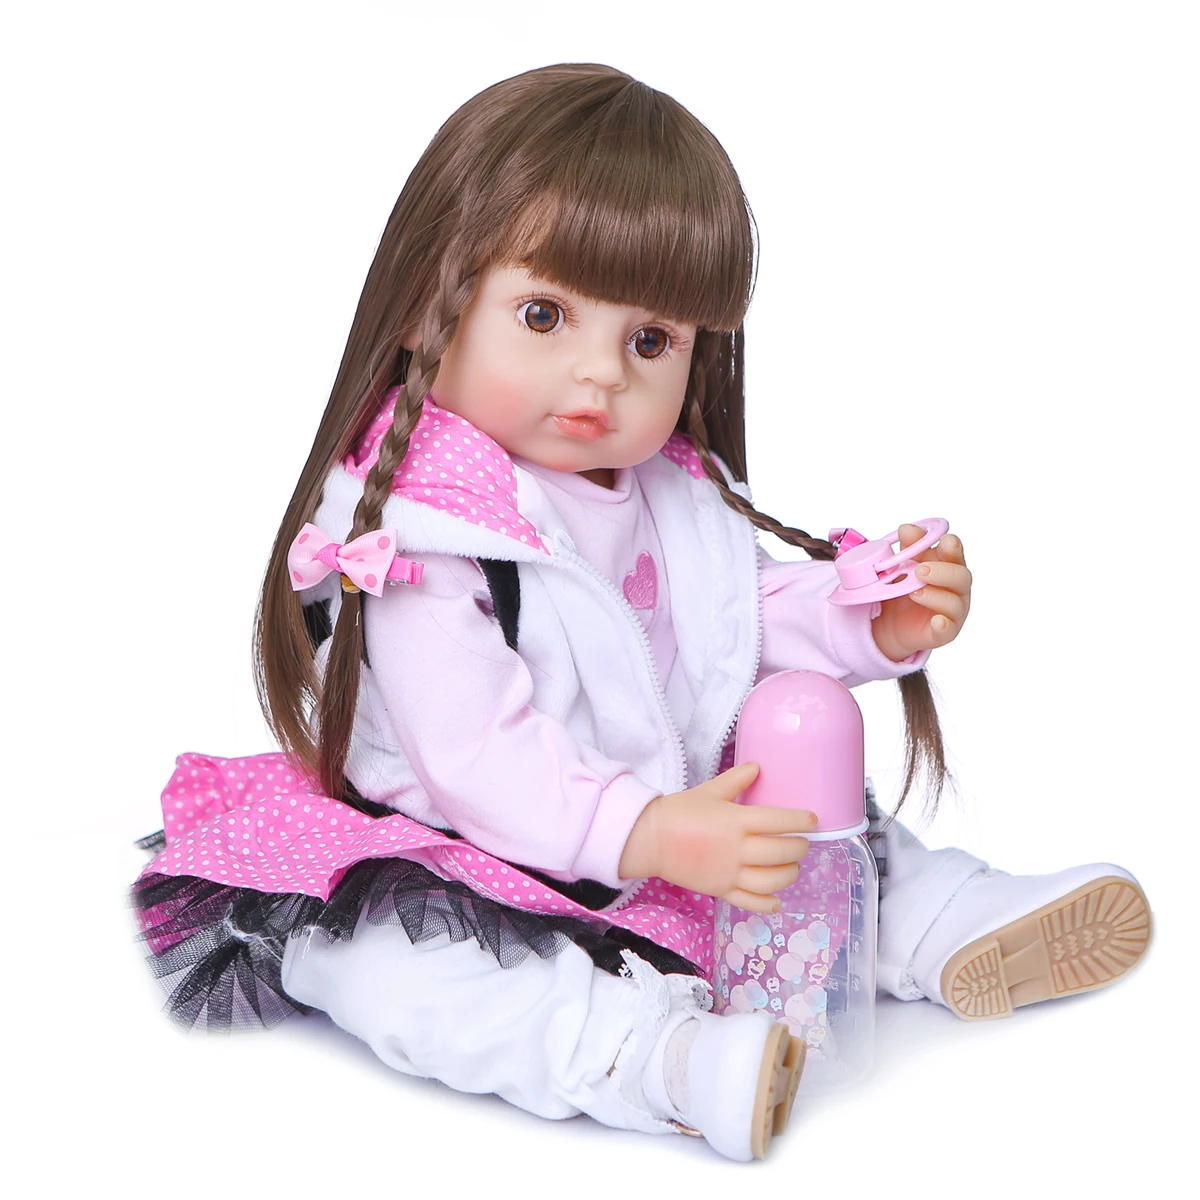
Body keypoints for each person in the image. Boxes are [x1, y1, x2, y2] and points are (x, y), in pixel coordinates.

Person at [132, 63, 1151, 1162]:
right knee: (399, 970)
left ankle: (934, 916)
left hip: (667, 819)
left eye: (650, 341)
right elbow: (477, 754)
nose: (602, 375)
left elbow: (727, 628)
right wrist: (646, 832)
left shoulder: (663, 486)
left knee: (799, 767)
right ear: (433, 304)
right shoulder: (424, 533)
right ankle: (652, 1058)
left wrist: (865, 622)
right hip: (471, 848)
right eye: (544, 315)